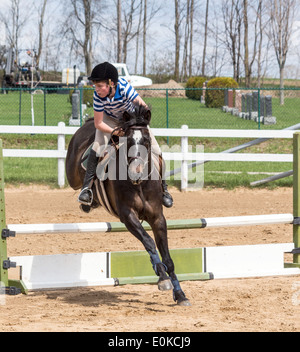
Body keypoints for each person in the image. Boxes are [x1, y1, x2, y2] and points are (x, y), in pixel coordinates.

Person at [78, 61, 173, 208]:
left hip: (130, 119)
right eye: (95, 86)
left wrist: (136, 125)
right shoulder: (98, 96)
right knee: (97, 146)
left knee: (156, 149)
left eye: (99, 86)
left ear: (111, 83)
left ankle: (164, 189)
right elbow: (98, 123)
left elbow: (143, 107)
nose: (96, 89)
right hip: (109, 121)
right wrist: (114, 132)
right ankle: (87, 189)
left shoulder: (123, 87)